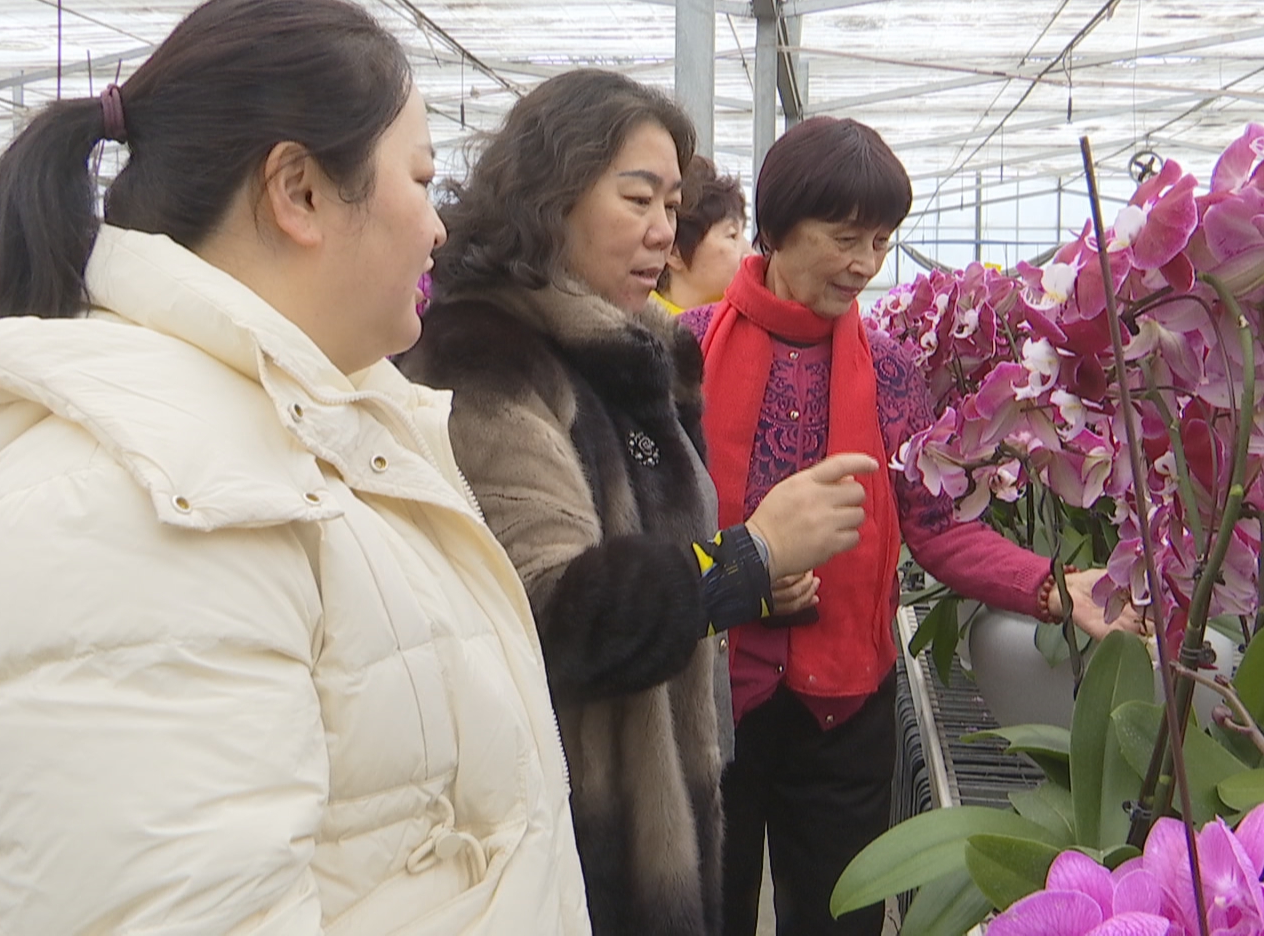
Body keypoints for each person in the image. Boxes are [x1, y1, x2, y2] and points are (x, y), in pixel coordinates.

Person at [0, 0, 590, 934]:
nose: (438, 228)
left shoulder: (293, 440)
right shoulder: (129, 507)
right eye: (419, 179)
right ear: (298, 191)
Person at [394, 68, 873, 936]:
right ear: (550, 194)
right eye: (638, 199)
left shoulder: (636, 356)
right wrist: (749, 557)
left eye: (674, 206)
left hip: (664, 813)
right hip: (575, 841)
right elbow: (551, 611)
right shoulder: (489, 360)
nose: (664, 232)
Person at [682, 116, 1132, 936]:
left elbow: (935, 524)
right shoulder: (685, 354)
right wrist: (743, 572)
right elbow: (646, 531)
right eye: (845, 237)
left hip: (843, 704)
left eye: (882, 241)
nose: (866, 263)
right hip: (707, 700)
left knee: (841, 918)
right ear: (777, 227)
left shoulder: (890, 370)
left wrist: (1053, 587)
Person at [652, 154, 751, 314]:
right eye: (732, 236)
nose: (750, 253)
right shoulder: (636, 324)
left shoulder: (744, 316)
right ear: (674, 252)